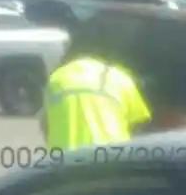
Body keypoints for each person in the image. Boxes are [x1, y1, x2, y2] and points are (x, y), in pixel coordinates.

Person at [40, 23, 152, 152]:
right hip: (112, 158)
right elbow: (139, 128)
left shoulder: (57, 78)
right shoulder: (119, 78)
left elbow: (46, 125)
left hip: (64, 159)